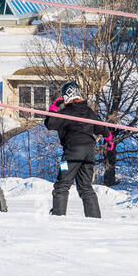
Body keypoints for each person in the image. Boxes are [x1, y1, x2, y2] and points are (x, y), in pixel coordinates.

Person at [43, 82, 113, 218]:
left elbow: (50, 123)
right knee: (85, 187)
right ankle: (95, 220)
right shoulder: (88, 111)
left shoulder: (67, 112)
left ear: (67, 96)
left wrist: (54, 107)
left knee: (61, 185)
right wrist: (108, 138)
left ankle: (58, 217)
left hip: (71, 153)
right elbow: (101, 127)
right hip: (89, 153)